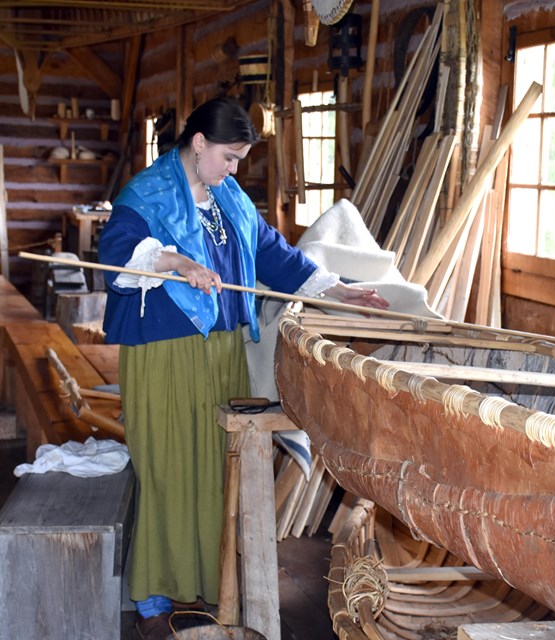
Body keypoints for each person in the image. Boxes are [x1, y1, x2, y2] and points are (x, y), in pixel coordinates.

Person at [98, 96, 389, 640]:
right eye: (229, 157)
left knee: (214, 467)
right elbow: (118, 255)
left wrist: (338, 290)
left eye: (239, 160)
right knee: (167, 465)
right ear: (199, 143)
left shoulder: (227, 196)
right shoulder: (147, 193)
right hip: (164, 353)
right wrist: (178, 263)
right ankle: (154, 599)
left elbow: (273, 253)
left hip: (222, 350)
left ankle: (210, 584)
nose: (234, 170)